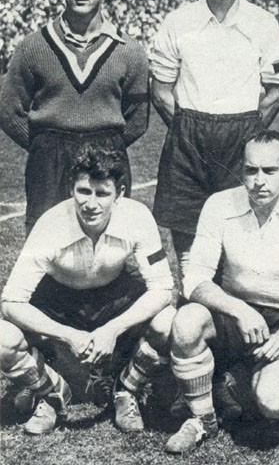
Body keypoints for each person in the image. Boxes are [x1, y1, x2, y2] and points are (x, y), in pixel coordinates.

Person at [164, 130, 279, 454]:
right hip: (234, 312)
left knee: (273, 404)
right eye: (251, 171)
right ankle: (202, 418)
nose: (259, 181)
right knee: (185, 322)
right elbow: (194, 277)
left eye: (270, 171)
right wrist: (239, 310)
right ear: (241, 170)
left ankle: (240, 384)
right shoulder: (219, 204)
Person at [0, 143, 175, 435]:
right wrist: (68, 335)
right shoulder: (50, 224)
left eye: (102, 193)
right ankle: (50, 392)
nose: (91, 204)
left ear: (119, 194)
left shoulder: (137, 216)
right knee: (2, 338)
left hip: (114, 297)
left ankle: (126, 389)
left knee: (169, 322)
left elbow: (163, 288)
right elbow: (11, 302)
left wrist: (113, 329)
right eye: (84, 191)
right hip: (58, 300)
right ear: (72, 188)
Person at [150, 0, 279, 265]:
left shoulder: (263, 23)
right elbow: (161, 91)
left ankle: (233, 310)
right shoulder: (178, 21)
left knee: (237, 236)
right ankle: (192, 307)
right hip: (189, 137)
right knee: (187, 239)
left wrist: (250, 130)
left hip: (241, 136)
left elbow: (277, 91)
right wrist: (186, 125)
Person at [0, 0, 149, 233]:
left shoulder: (130, 51)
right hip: (49, 159)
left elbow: (139, 118)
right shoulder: (33, 46)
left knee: (109, 246)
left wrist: (105, 146)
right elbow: (8, 111)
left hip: (107, 156)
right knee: (46, 245)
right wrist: (44, 144)